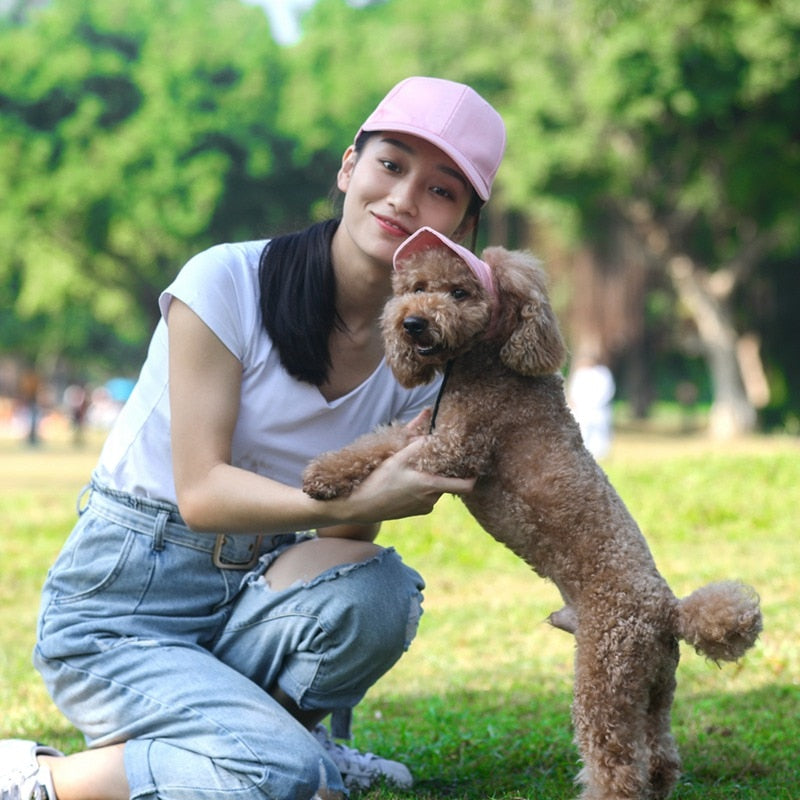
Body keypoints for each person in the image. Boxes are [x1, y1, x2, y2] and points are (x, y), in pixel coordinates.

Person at [0, 76, 507, 800]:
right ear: (348, 167)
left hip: (253, 596)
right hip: (121, 613)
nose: (403, 198)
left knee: (381, 591)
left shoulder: (424, 354)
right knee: (279, 776)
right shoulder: (225, 282)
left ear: (463, 222)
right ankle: (35, 778)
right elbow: (203, 492)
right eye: (390, 165)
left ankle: (267, 737)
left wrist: (379, 502)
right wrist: (366, 493)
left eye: (442, 189)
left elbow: (347, 543)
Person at [566, 349, 616, 460]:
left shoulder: (603, 373)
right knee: (582, 433)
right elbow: (574, 392)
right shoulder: (580, 374)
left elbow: (606, 392)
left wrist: (593, 405)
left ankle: (601, 455)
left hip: (598, 410)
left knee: (600, 436)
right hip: (582, 410)